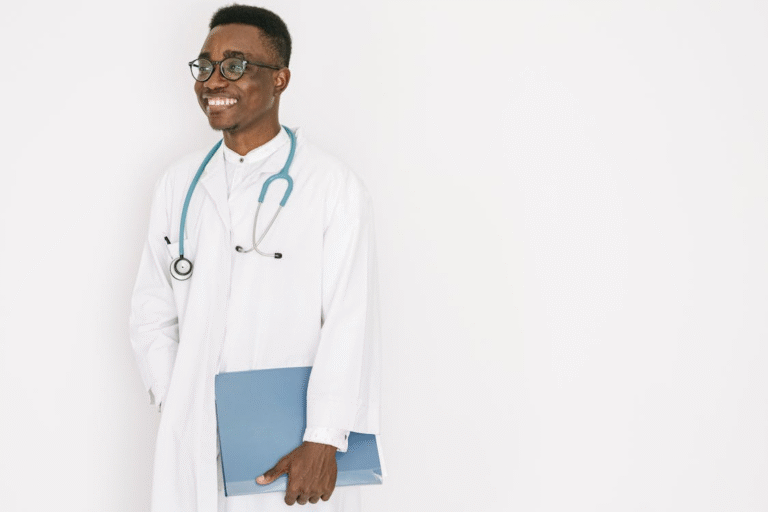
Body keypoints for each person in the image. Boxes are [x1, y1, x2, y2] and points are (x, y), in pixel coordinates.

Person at [129, 5, 381, 511]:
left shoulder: (332, 187)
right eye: (205, 65)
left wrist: (325, 437)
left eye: (236, 65)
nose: (213, 80)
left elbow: (351, 319)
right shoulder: (179, 184)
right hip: (195, 436)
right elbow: (151, 312)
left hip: (296, 443)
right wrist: (180, 397)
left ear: (280, 79)